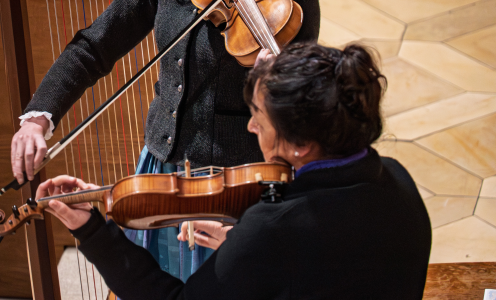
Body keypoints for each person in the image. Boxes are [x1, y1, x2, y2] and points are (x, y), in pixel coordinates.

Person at [11, 0, 321, 278]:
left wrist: (278, 81)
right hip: (162, 172)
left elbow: (306, 108)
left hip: (238, 184)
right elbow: (96, 44)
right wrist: (39, 116)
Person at [38, 43, 433, 299]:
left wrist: (91, 230)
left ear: (300, 143)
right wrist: (248, 255)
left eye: (259, 116)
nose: (251, 126)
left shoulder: (272, 229)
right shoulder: (398, 179)